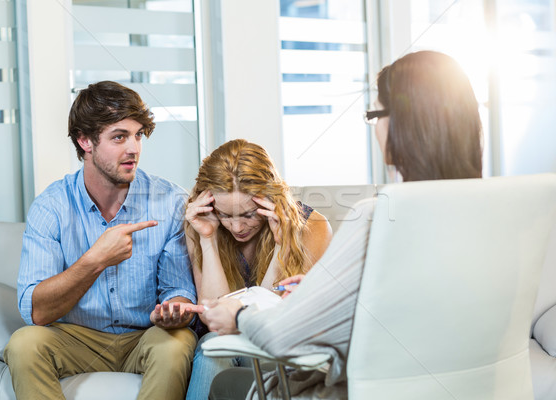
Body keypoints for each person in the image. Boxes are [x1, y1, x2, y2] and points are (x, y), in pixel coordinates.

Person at [201, 50, 483, 399]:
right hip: (461, 386)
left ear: (401, 125)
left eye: (375, 114)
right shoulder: (497, 215)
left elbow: (284, 336)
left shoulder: (375, 220)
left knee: (225, 386)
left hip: (373, 389)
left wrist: (240, 314)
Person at [3, 81, 200, 400]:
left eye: (138, 135)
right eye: (119, 137)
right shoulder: (51, 207)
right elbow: (36, 312)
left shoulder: (170, 202)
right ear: (85, 141)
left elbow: (178, 288)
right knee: (24, 344)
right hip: (76, 339)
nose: (134, 148)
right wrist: (95, 261)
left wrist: (176, 308)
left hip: (146, 336)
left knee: (177, 343)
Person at [184, 139, 333, 399]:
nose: (237, 227)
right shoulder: (201, 224)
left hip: (279, 344)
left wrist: (281, 246)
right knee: (212, 347)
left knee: (228, 350)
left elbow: (271, 319)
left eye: (249, 214)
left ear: (271, 199)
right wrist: (208, 239)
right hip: (223, 340)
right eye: (225, 215)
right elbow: (214, 320)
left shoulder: (313, 226)